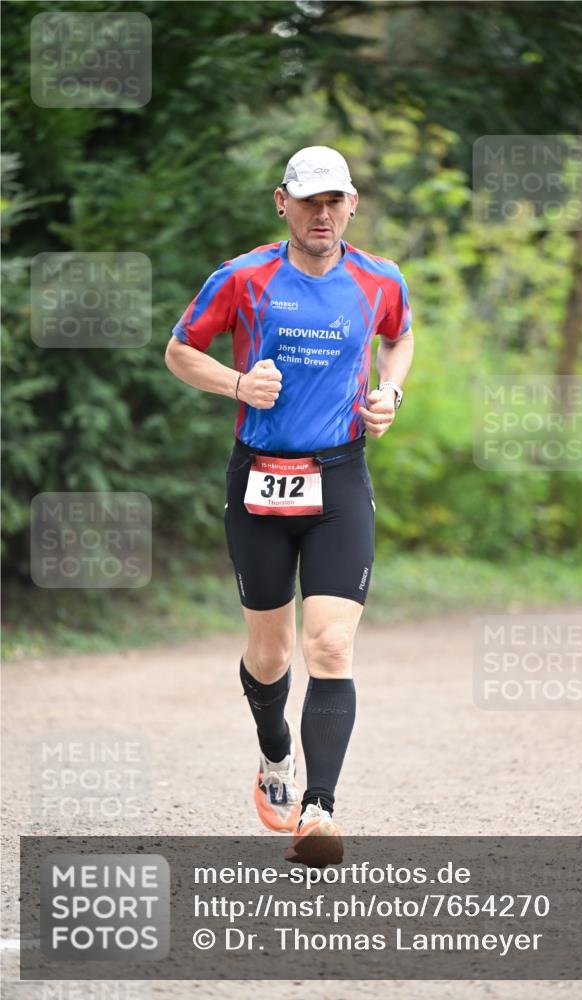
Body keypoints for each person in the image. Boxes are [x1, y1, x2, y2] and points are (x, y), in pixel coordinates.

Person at [165, 146, 414, 866]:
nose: (322, 214)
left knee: (330, 645)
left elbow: (398, 338)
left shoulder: (378, 279)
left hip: (338, 479)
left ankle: (319, 810)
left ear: (353, 204)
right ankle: (276, 755)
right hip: (260, 479)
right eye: (308, 201)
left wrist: (388, 394)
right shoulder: (244, 277)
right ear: (283, 203)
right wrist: (238, 385)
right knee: (270, 655)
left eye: (334, 201)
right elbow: (181, 351)